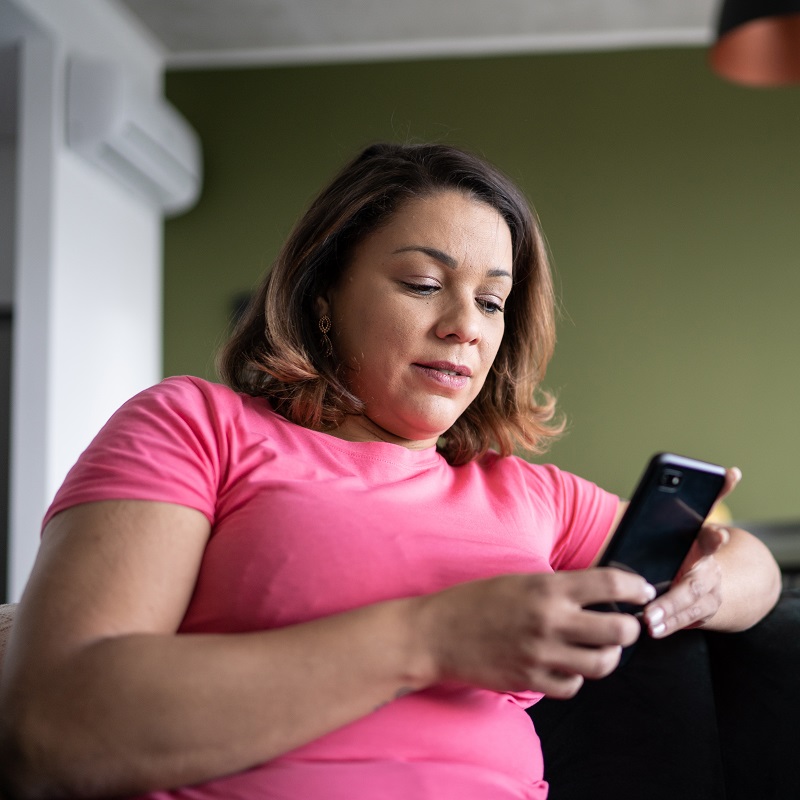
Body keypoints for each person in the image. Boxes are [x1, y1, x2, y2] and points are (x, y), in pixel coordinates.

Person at [0, 142, 781, 799]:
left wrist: (716, 579)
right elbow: (54, 727)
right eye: (422, 284)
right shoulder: (198, 426)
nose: (464, 328)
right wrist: (433, 638)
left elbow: (747, 564)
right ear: (326, 294)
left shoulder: (531, 492)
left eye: (493, 302)